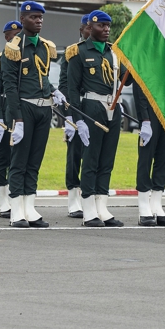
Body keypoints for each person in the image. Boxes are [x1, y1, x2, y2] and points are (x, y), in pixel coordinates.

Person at [3, 0, 67, 228]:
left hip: (43, 108)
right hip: (24, 108)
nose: (38, 21)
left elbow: (43, 75)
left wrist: (54, 90)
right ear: (22, 19)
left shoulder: (45, 46)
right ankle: (16, 210)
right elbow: (10, 86)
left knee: (34, 161)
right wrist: (17, 119)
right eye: (33, 17)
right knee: (19, 160)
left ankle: (29, 206)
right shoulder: (14, 48)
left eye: (41, 17)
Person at [66, 11, 132, 227]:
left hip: (113, 107)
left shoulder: (115, 52)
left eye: (108, 26)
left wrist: (133, 62)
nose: (106, 30)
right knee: (91, 159)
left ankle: (102, 207)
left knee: (107, 160)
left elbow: (127, 80)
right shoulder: (78, 52)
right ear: (90, 27)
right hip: (91, 107)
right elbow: (73, 89)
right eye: (101, 26)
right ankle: (88, 210)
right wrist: (78, 119)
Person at [58, 14, 91, 218]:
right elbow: (65, 86)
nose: (90, 31)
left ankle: (90, 196)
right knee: (75, 155)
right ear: (81, 30)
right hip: (76, 108)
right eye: (88, 27)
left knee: (93, 156)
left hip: (95, 109)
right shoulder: (72, 52)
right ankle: (73, 198)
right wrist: (68, 117)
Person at [0, 20, 22, 218]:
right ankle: (1, 202)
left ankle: (15, 197)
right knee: (3, 157)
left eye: (20, 35)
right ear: (6, 37)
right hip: (5, 112)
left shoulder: (25, 57)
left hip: (22, 112)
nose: (17, 39)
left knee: (19, 157)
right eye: (14, 35)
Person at [133, 81, 165, 227]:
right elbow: (139, 85)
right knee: (146, 159)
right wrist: (144, 118)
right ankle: (143, 206)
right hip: (150, 107)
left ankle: (156, 205)